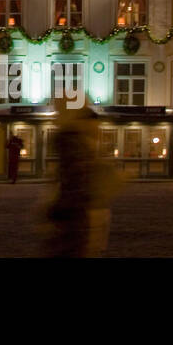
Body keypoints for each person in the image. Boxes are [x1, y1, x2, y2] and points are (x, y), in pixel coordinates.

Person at [44, 104, 119, 257]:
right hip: (81, 220)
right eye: (95, 127)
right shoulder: (75, 147)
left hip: (81, 220)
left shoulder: (81, 148)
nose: (97, 131)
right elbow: (75, 189)